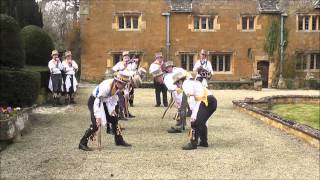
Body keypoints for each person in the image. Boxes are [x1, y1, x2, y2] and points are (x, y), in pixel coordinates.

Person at [78, 71, 132, 151]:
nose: (124, 86)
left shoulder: (117, 86)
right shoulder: (106, 86)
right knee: (96, 125)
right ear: (118, 82)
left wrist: (112, 109)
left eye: (125, 84)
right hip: (94, 101)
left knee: (114, 119)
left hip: (104, 102)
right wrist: (98, 116)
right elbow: (98, 101)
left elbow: (113, 98)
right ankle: (82, 143)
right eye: (123, 84)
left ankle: (119, 141)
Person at [172, 71, 217, 150]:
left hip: (205, 101)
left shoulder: (185, 84)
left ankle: (193, 143)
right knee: (201, 121)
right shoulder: (190, 83)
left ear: (180, 81)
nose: (177, 86)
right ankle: (203, 141)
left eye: (176, 83)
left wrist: (194, 114)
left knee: (194, 121)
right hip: (211, 101)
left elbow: (192, 98)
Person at [162, 61, 191, 133]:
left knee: (182, 108)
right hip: (175, 92)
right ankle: (181, 122)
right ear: (165, 69)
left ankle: (182, 125)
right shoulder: (166, 77)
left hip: (183, 90)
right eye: (168, 67)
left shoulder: (179, 70)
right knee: (179, 108)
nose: (169, 68)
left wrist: (186, 81)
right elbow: (169, 87)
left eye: (170, 66)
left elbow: (187, 74)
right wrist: (175, 87)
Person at [112, 51, 136, 119]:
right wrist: (123, 67)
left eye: (128, 56)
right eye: (125, 56)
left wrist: (135, 63)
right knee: (121, 98)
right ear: (123, 58)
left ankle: (126, 112)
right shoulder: (120, 63)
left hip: (128, 82)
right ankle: (120, 114)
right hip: (120, 82)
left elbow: (133, 70)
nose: (126, 57)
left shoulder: (131, 64)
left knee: (127, 98)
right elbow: (114, 71)